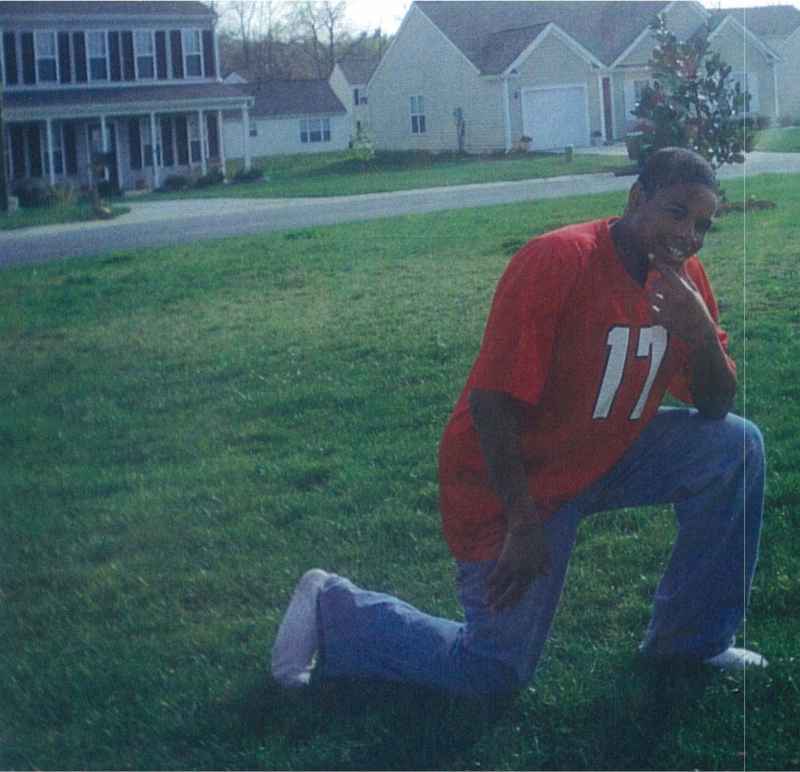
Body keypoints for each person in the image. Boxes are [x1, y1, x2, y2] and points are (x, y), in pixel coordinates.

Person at [270, 147, 766, 696]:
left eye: (702, 224)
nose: (688, 236)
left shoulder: (684, 278)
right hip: (515, 476)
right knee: (490, 671)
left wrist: (698, 330)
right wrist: (522, 524)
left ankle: (690, 642)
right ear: (636, 198)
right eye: (676, 213)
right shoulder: (559, 259)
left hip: (604, 450)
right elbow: (492, 403)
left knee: (735, 446)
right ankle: (333, 606)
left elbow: (716, 405)